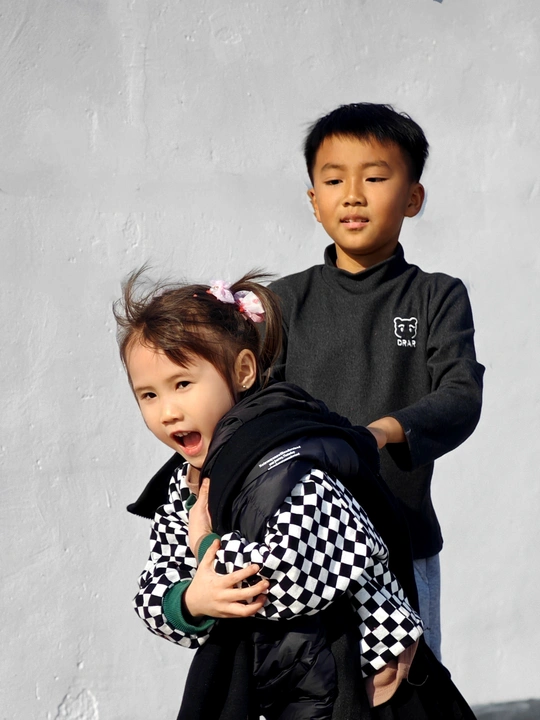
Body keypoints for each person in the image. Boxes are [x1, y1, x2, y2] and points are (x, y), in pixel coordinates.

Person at [115, 270, 476, 719]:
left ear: (243, 371)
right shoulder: (184, 485)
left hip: (353, 681)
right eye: (148, 395)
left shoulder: (291, 459)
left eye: (182, 384)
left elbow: (292, 579)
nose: (167, 411)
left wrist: (207, 547)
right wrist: (191, 602)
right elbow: (153, 589)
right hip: (279, 685)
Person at [270, 103, 485, 660]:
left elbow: (461, 395)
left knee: (408, 692)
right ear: (313, 200)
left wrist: (386, 430)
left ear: (413, 197)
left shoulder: (436, 295)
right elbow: (257, 409)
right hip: (303, 550)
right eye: (334, 180)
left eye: (374, 178)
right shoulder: (282, 302)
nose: (353, 196)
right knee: (313, 692)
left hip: (403, 541)